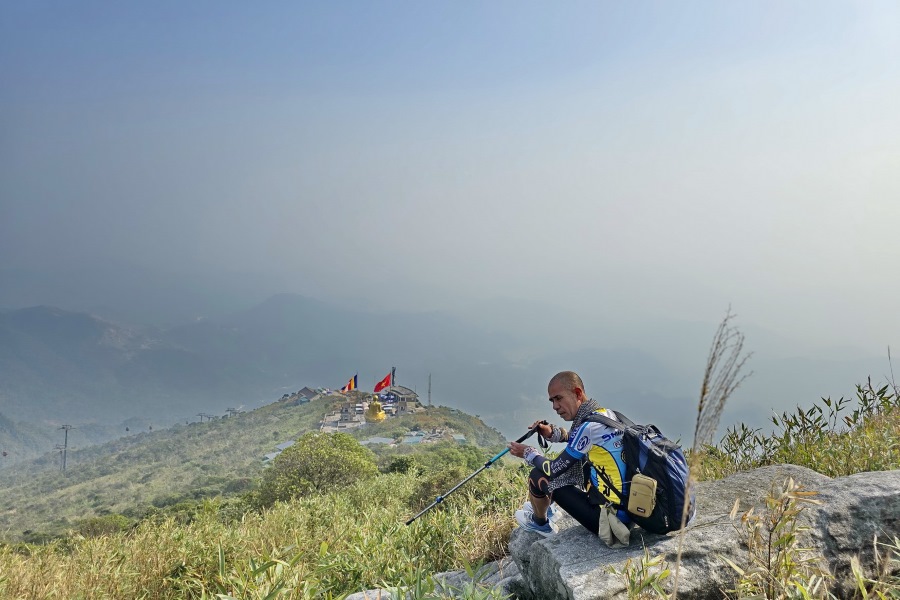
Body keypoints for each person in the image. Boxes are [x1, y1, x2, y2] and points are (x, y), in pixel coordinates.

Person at [508, 371, 630, 538]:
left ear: (577, 393)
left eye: (559, 398)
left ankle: (540, 523)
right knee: (583, 462)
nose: (555, 406)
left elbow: (553, 469)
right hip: (631, 512)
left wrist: (528, 453)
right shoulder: (609, 415)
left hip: (610, 523)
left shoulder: (588, 427)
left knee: (539, 475)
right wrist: (553, 433)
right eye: (552, 401)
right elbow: (580, 440)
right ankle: (546, 505)